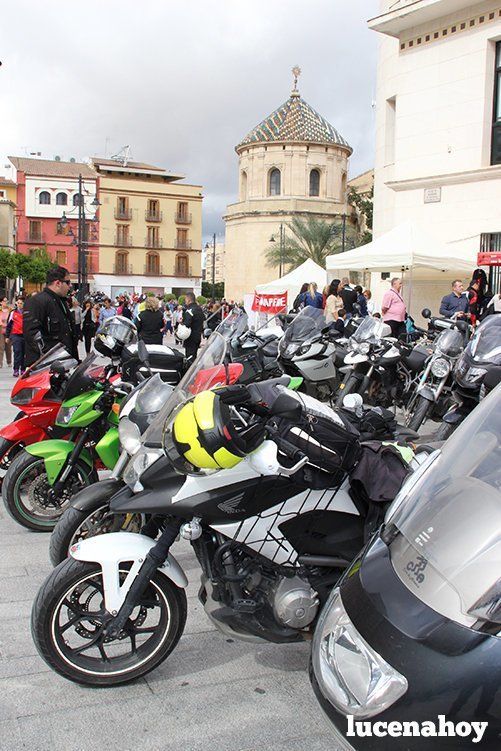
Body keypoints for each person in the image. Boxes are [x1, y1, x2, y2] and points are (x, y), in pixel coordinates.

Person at [23, 266, 78, 366]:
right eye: (68, 282)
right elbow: (32, 334)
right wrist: (49, 357)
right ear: (58, 283)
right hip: (46, 366)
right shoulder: (37, 301)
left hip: (62, 363)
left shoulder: (61, 302)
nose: (70, 286)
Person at [182, 291, 205, 361]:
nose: (185, 301)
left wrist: (182, 323)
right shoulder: (199, 309)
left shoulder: (189, 310)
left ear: (189, 299)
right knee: (194, 355)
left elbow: (187, 324)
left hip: (190, 337)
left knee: (189, 357)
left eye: (185, 299)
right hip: (197, 336)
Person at [6, 298, 25, 376]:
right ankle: (16, 369)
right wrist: (7, 336)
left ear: (23, 304)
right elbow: (9, 325)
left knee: (24, 353)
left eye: (21, 303)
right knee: (17, 352)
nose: (19, 304)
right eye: (18, 303)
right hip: (16, 335)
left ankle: (23, 369)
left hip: (24, 335)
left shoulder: (27, 312)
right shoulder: (13, 313)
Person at [0, 297, 12, 369]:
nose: (5, 302)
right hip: (1, 329)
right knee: (1, 346)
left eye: (6, 301)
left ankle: (9, 361)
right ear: (1, 302)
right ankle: (0, 363)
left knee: (8, 347)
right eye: (4, 301)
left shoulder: (10, 310)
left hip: (9, 329)